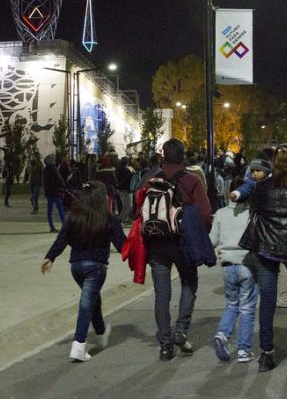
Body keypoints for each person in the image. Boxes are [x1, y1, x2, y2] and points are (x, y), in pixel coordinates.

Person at [139, 138, 212, 361]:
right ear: (182, 155)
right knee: (189, 283)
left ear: (163, 155)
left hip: (156, 243)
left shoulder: (151, 180)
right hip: (183, 242)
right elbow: (205, 214)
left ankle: (165, 345)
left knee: (161, 294)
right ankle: (181, 329)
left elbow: (139, 209)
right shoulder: (191, 180)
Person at [42, 181, 125, 362]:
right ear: (100, 198)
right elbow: (122, 246)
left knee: (93, 299)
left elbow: (62, 239)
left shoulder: (74, 216)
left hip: (76, 268)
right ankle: (79, 345)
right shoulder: (109, 219)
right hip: (96, 268)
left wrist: (50, 257)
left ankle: (101, 333)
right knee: (87, 304)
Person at [240, 145, 287, 372]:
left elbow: (254, 210)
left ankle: (266, 353)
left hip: (265, 246)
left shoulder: (262, 187)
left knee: (267, 300)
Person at [209, 196, 257, 363]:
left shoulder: (220, 213)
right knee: (247, 308)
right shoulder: (252, 213)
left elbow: (212, 240)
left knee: (231, 304)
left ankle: (222, 335)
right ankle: (243, 350)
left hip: (227, 265)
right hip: (246, 263)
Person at [43, 155, 66, 233]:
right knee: (60, 209)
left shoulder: (45, 169)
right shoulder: (54, 169)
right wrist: (63, 186)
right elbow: (59, 179)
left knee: (49, 210)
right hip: (55, 192)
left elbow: (44, 182)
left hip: (48, 192)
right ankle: (64, 225)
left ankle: (51, 226)